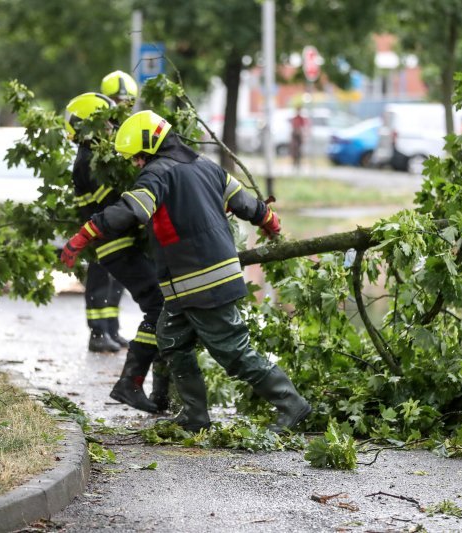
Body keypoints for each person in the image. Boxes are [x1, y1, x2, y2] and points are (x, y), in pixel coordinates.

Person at [60, 110, 312, 433]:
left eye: (137, 157)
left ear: (149, 148)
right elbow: (246, 203)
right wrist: (270, 222)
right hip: (185, 286)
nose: (136, 164)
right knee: (170, 340)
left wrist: (85, 234)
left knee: (234, 352)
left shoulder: (156, 175)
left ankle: (292, 404)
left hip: (201, 281)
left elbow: (131, 211)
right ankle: (195, 415)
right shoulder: (209, 167)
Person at [64, 92, 170, 413]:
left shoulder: (94, 157)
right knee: (159, 306)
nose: (112, 127)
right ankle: (131, 381)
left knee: (159, 305)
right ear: (90, 125)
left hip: (121, 243)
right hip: (114, 244)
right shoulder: (89, 163)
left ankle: (150, 388)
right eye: (108, 122)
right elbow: (115, 204)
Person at [79, 72, 140, 352]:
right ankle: (97, 334)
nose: (123, 107)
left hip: (115, 224)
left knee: (116, 281)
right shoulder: (91, 145)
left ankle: (112, 330)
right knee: (100, 278)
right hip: (99, 223)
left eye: (128, 102)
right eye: (118, 102)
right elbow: (98, 188)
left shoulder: (120, 135)